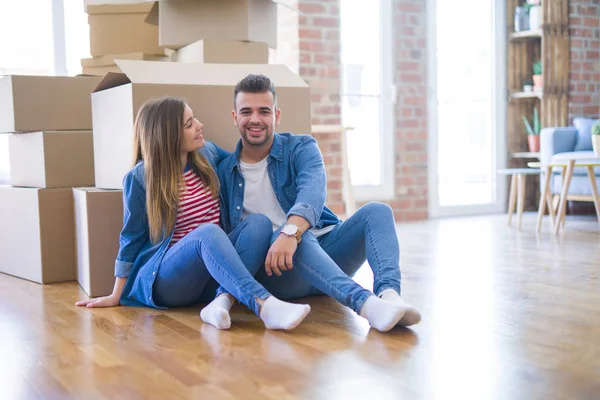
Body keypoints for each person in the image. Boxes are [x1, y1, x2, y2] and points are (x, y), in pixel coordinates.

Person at [75, 97, 311, 331]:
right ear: (168, 136)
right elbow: (131, 237)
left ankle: (221, 303)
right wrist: (116, 294)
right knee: (206, 232)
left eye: (194, 118)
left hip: (209, 278)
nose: (200, 125)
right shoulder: (140, 178)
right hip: (169, 280)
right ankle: (265, 305)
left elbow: (244, 167)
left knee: (259, 223)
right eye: (189, 124)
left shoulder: (206, 154)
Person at [218, 75, 422, 332]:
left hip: (326, 253)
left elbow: (312, 192)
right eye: (246, 111)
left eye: (264, 111)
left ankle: (389, 297)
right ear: (235, 117)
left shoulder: (301, 147)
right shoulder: (223, 171)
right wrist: (289, 235)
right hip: (277, 273)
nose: (255, 119)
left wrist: (291, 231)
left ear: (277, 116)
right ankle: (368, 306)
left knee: (377, 211)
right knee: (302, 239)